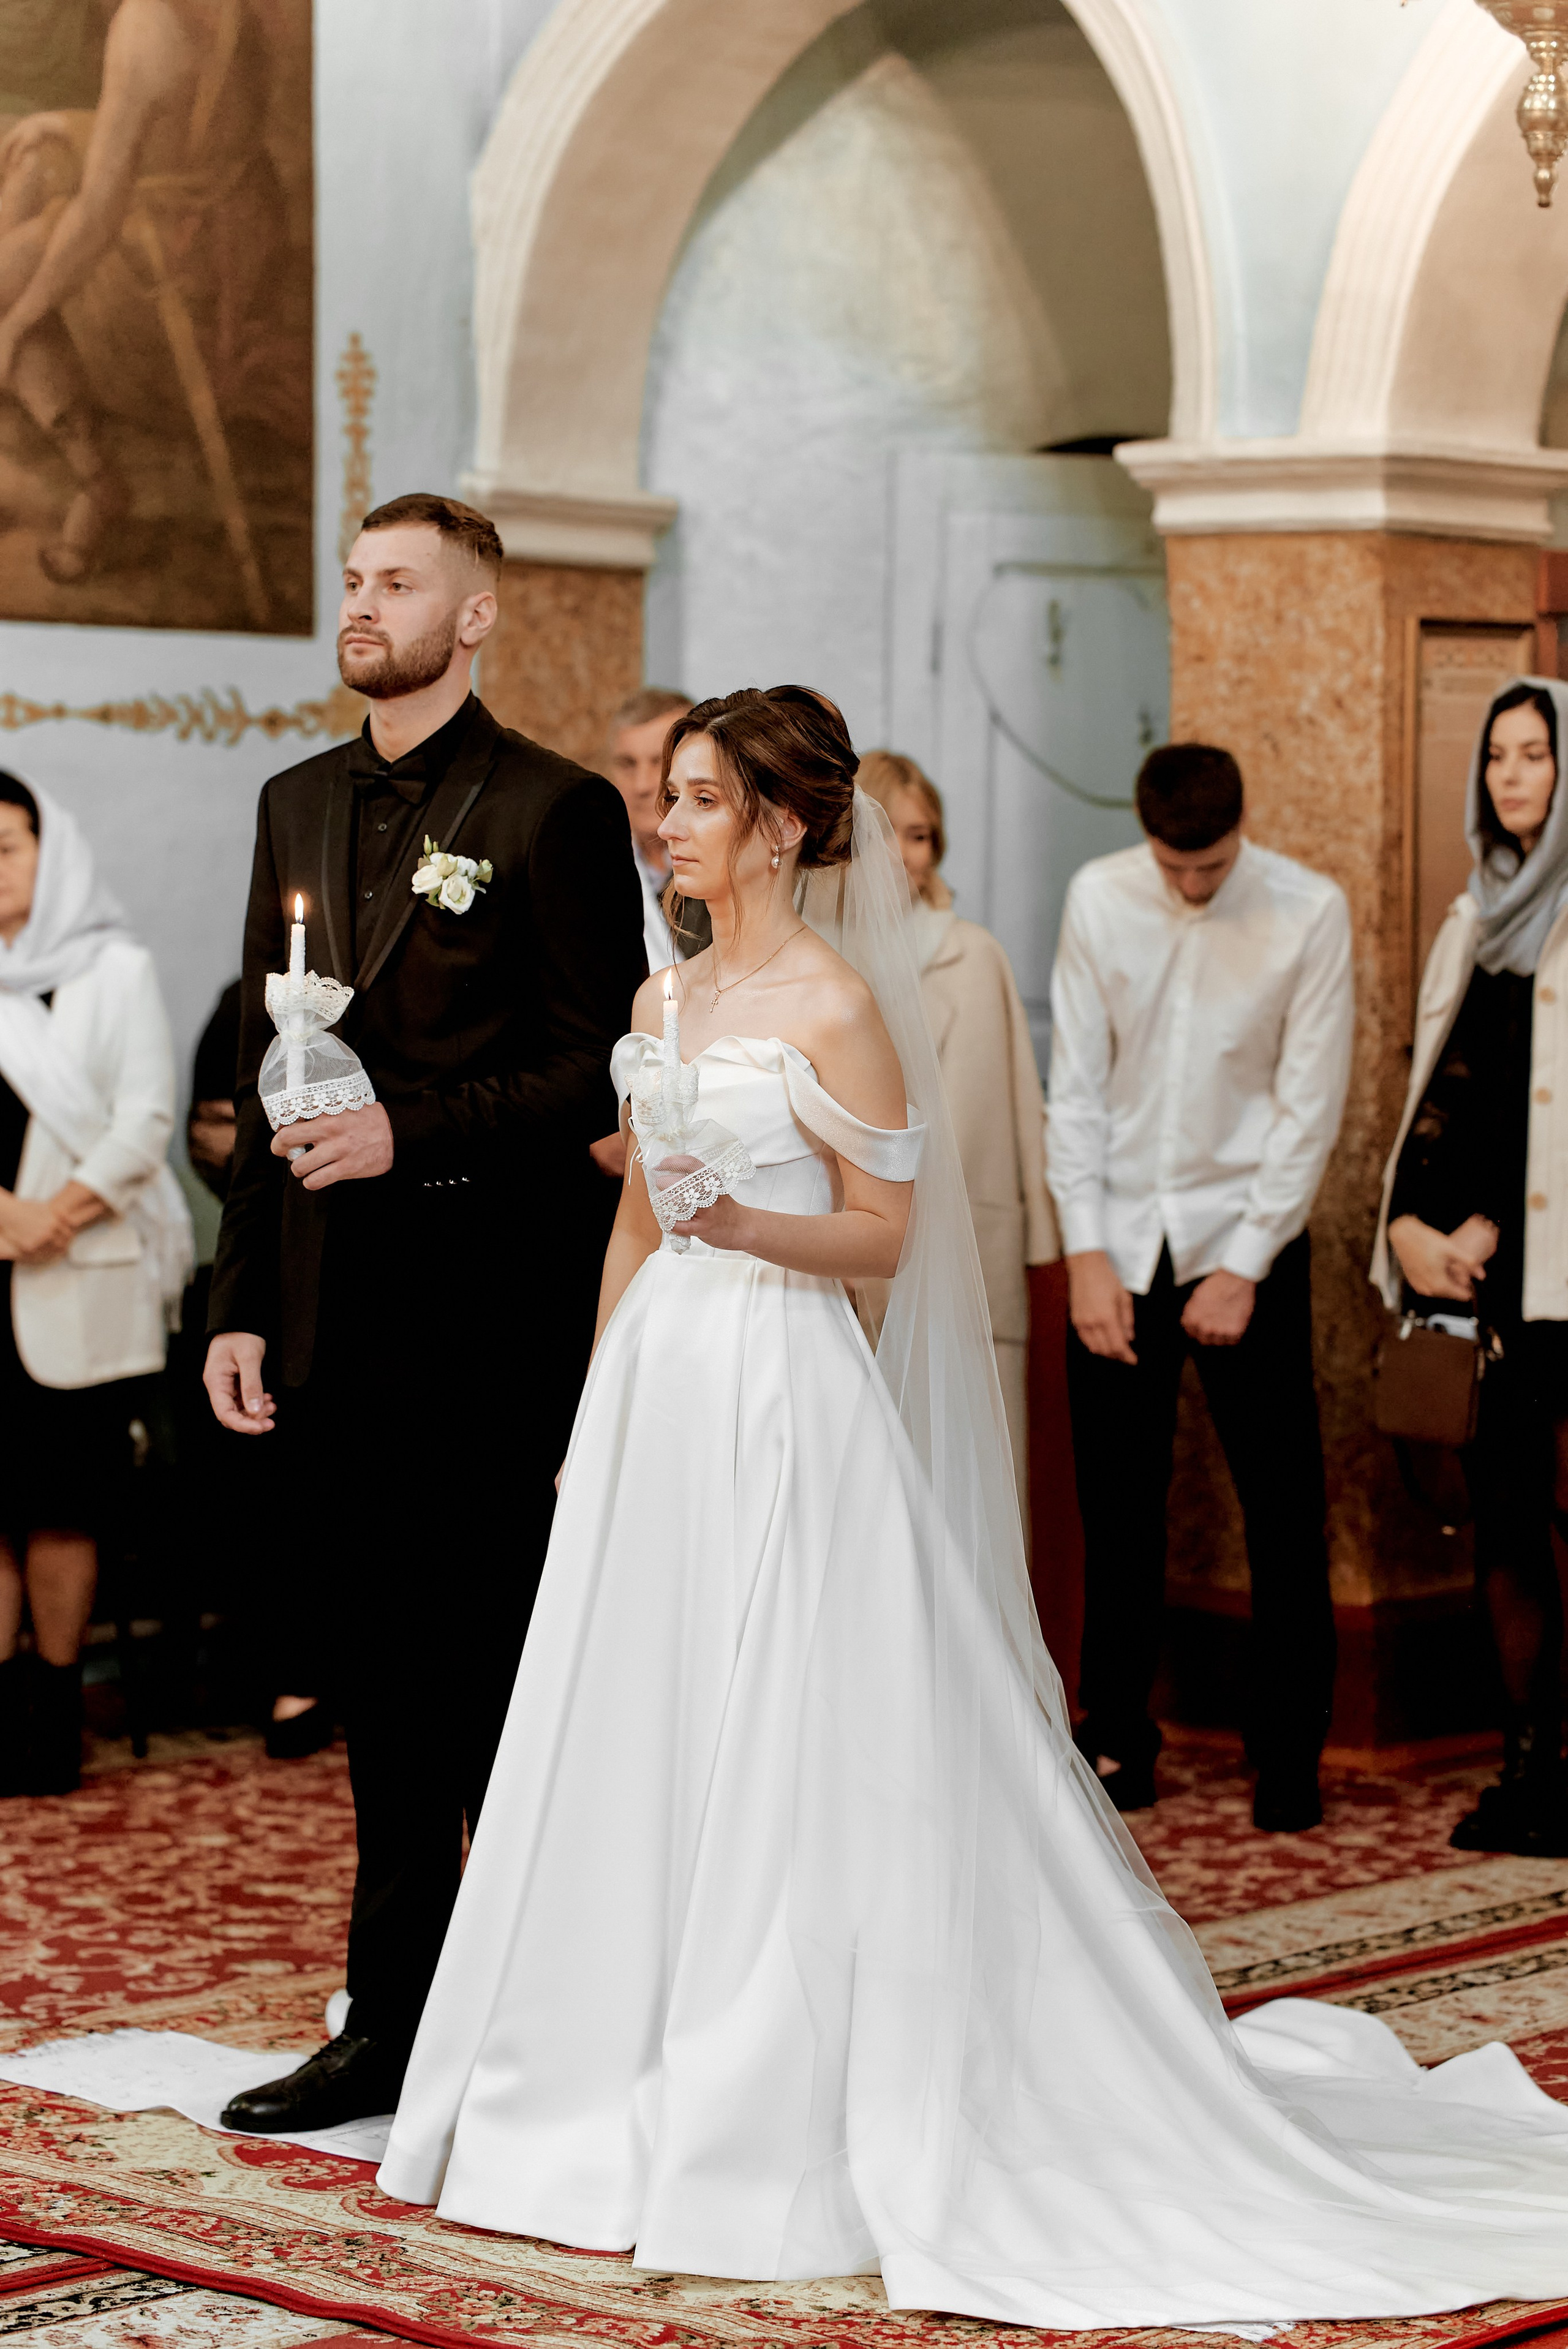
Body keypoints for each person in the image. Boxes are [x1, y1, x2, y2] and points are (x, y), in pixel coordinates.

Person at [378, 687, 1568, 2321]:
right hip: (656, 1394)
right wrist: (595, 1414)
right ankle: (591, 2072)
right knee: (635, 1716)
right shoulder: (665, 987)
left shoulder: (841, 1003)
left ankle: (769, 2092)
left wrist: (755, 1232)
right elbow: (636, 1231)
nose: (667, 821)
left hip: (780, 1385)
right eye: (669, 797)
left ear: (783, 825)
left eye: (700, 798)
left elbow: (879, 1232)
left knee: (784, 1727)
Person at [203, 491, 646, 2133]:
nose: (363, 601)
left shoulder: (553, 809)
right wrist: (242, 1291)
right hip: (332, 1314)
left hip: (489, 1312)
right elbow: (275, 1070)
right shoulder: (291, 800)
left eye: (399, 582)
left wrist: (415, 1131)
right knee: (387, 1689)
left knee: (506, 1678)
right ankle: (393, 2019)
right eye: (352, 577)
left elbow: (601, 1068)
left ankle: (557, 2006)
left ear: (474, 618)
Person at [1047, 744, 1352, 1831]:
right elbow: (1076, 1087)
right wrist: (1085, 1249)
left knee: (1282, 1504)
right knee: (1117, 1503)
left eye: (1211, 868)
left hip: (1248, 1236)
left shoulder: (1310, 912)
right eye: (1174, 869)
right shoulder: (1100, 897)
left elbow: (1310, 1102)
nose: (1190, 888)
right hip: (1118, 1236)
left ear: (1241, 831)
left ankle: (1289, 1749)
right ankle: (1118, 1736)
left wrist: (1247, 1263)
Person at [1375, 677, 1568, 1858]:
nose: (1510, 775)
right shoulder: (1473, 916)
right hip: (1473, 1285)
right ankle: (1529, 1761)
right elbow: (1435, 1100)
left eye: (1536, 753)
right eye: (1497, 756)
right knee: (1501, 1524)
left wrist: (1499, 1221)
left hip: (1556, 1276)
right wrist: (1407, 1224)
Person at [0, 774, 190, 1795]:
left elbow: (147, 1120)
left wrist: (50, 1218)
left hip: (80, 1271)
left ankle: (53, 1708)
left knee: (62, 1507)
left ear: (50, 851)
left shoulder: (116, 970)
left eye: (6, 846)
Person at [856, 748, 1056, 1508]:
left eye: (921, 836)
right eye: (890, 834)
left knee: (974, 1496)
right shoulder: (815, 964)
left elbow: (1022, 1113)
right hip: (854, 1269)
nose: (907, 857)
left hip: (970, 1250)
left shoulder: (977, 958)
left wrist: (1044, 1249)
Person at [590, 688, 710, 1184]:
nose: (643, 785)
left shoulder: (731, 876)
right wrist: (597, 1123)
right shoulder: (589, 874)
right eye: (626, 764)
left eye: (658, 764)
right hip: (614, 1149)